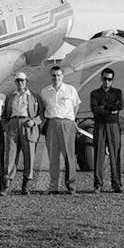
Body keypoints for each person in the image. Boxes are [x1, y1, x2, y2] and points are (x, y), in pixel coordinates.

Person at [1, 71, 44, 195]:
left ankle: (26, 185)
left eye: (22, 80)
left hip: (28, 125)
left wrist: (34, 122)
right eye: (18, 81)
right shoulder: (10, 96)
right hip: (13, 125)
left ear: (26, 82)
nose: (20, 83)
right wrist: (6, 126)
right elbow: (4, 114)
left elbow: (42, 114)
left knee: (29, 155)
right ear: (15, 82)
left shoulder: (34, 96)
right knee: (10, 155)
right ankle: (7, 184)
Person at [40, 66, 81, 195]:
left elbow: (76, 106)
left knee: (69, 156)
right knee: (53, 157)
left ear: (62, 76)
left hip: (66, 124)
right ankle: (53, 186)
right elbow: (42, 108)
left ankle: (71, 186)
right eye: (53, 75)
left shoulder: (70, 89)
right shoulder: (45, 91)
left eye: (58, 75)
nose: (56, 78)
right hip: (51, 123)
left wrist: (70, 119)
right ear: (50, 76)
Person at [90, 68, 124, 193]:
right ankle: (98, 184)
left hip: (113, 125)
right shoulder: (95, 93)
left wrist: (104, 107)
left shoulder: (117, 92)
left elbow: (120, 106)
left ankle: (117, 184)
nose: (107, 81)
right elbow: (95, 109)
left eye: (109, 79)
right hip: (100, 125)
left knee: (115, 155)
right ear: (101, 78)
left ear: (112, 80)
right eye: (105, 79)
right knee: (99, 155)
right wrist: (110, 111)